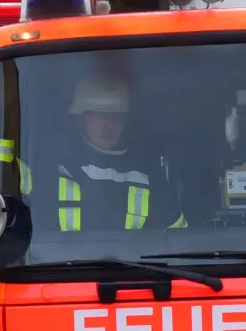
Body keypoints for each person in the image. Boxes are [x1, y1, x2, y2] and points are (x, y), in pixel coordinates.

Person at [51, 73, 188, 233]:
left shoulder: (149, 175)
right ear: (80, 119)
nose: (108, 124)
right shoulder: (54, 171)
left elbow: (178, 237)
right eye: (99, 115)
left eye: (115, 115)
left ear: (125, 121)